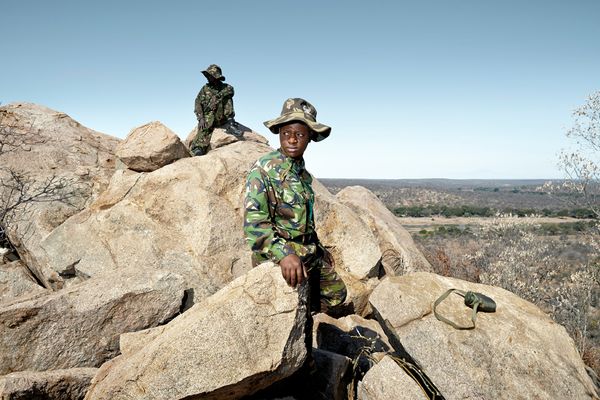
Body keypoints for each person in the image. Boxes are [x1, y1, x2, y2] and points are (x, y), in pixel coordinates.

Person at [243, 98, 347, 313]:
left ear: (309, 138)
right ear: (279, 134)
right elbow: (255, 224)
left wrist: (318, 248)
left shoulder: (303, 174)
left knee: (337, 295)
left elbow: (305, 220)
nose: (291, 140)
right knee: (292, 309)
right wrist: (283, 254)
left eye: (299, 135)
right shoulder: (264, 170)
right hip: (280, 253)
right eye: (286, 134)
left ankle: (311, 317)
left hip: (306, 250)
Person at [190, 64, 235, 156]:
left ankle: (231, 124)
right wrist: (201, 118)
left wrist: (217, 97)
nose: (207, 77)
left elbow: (231, 90)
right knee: (206, 123)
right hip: (209, 117)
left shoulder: (225, 87)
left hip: (223, 117)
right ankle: (199, 147)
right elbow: (198, 102)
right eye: (207, 75)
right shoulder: (205, 89)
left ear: (216, 77)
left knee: (227, 98)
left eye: (210, 75)